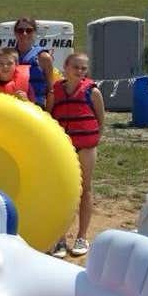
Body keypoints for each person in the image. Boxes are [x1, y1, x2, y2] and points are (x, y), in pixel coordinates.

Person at [47, 53, 105, 258]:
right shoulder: (55, 91)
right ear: (66, 67)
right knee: (63, 191)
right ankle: (60, 238)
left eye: (83, 68)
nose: (79, 71)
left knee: (85, 190)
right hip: (64, 149)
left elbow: (101, 119)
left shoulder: (93, 91)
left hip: (86, 148)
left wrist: (93, 139)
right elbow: (48, 117)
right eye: (76, 67)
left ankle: (81, 236)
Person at [12, 17, 55, 109]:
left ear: (34, 33)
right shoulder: (8, 56)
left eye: (29, 30)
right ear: (15, 33)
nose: (24, 33)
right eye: (20, 30)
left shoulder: (44, 57)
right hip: (13, 105)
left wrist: (47, 113)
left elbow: (51, 90)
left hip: (36, 106)